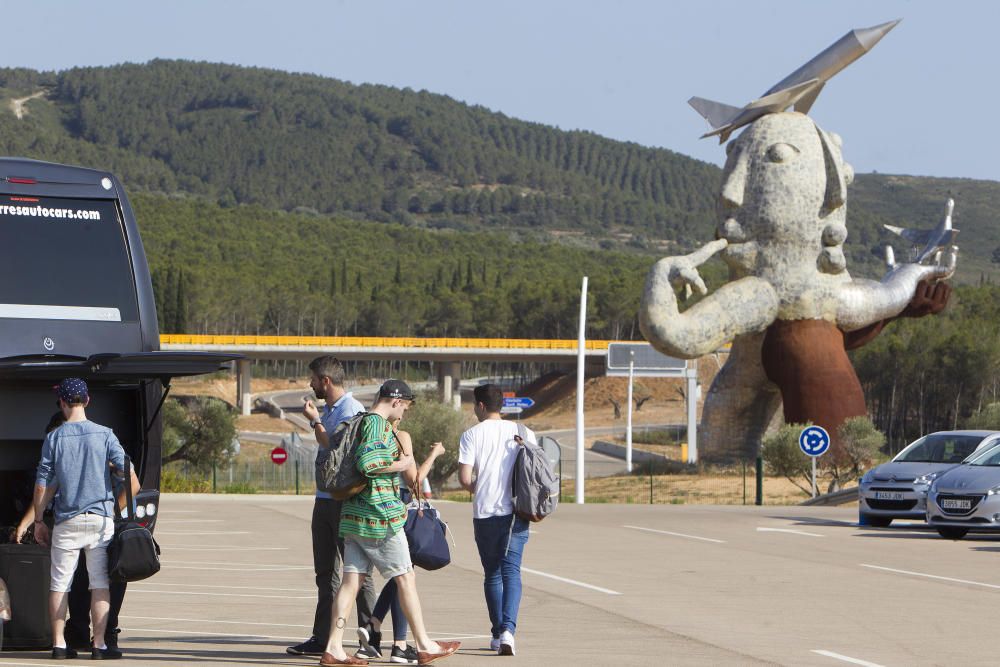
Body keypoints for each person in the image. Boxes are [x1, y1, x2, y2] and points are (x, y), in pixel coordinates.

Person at [321, 380, 460, 666]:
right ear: (396, 402)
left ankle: (333, 647)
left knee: (350, 582)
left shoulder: (359, 421)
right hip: (379, 518)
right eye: (405, 407)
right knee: (406, 578)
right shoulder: (377, 425)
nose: (403, 414)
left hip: (355, 517)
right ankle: (424, 645)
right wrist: (401, 463)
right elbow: (368, 464)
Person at [32, 378, 139, 661]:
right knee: (100, 583)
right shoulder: (105, 435)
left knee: (59, 584)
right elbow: (130, 476)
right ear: (87, 401)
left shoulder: (54, 438)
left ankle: (59, 645)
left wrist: (39, 520)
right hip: (100, 521)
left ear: (63, 403)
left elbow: (43, 483)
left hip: (67, 520)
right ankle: (100, 645)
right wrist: (115, 509)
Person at [287, 355, 376, 657]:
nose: (310, 384)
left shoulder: (351, 410)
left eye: (313, 379)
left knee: (357, 571)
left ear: (325, 380)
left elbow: (337, 450)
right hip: (324, 501)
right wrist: (318, 418)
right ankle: (321, 637)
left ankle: (371, 635)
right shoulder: (332, 409)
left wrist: (314, 421)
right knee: (325, 573)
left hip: (343, 502)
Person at [356, 419, 446, 664]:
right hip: (399, 510)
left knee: (399, 578)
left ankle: (377, 629)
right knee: (404, 576)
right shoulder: (400, 437)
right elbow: (414, 480)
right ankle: (397, 644)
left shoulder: (370, 436)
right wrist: (434, 454)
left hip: (371, 510)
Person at [458, 384, 536, 656]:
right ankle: (508, 632)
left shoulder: (471, 435)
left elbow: (466, 479)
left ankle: (496, 631)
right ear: (501, 404)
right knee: (512, 571)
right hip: (518, 512)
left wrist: (483, 486)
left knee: (492, 573)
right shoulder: (524, 432)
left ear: (481, 406)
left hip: (485, 513)